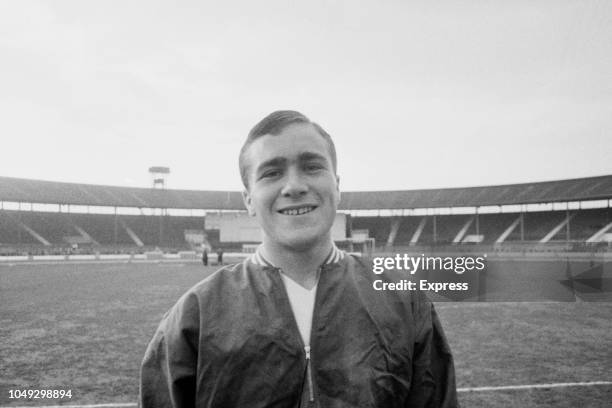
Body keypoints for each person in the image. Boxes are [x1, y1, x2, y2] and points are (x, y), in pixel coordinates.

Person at [140, 110, 459, 407]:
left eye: (311, 166)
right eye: (271, 173)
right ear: (248, 199)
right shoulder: (192, 318)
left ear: (337, 186)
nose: (294, 186)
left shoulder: (407, 303)